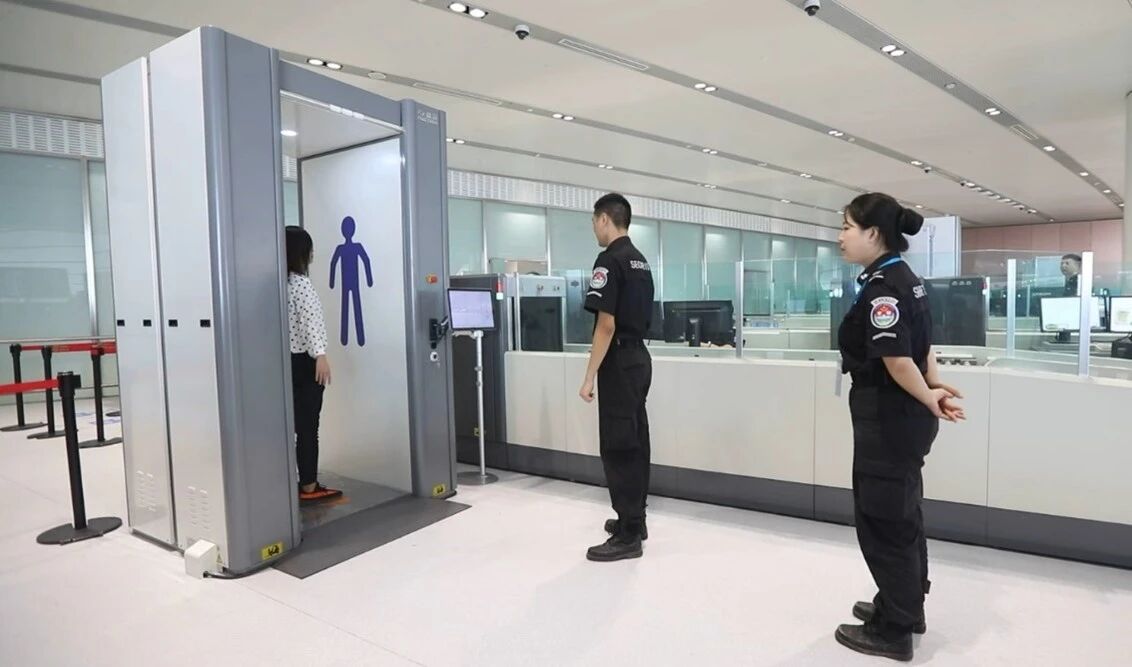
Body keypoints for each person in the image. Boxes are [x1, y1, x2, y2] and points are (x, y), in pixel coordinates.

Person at [833, 193, 965, 662]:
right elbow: (922, 348)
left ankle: (895, 629)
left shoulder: (883, 289)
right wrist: (930, 387)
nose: (840, 237)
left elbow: (896, 359)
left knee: (883, 518)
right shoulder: (906, 279)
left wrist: (928, 393)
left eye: (846, 227)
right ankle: (905, 605)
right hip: (904, 414)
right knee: (902, 513)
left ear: (873, 233)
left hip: (889, 417)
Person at [578, 193, 655, 562]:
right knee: (636, 439)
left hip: (619, 361)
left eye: (594, 221)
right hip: (639, 358)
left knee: (618, 444)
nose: (594, 228)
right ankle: (635, 519)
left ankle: (628, 535)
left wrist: (589, 376)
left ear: (605, 219)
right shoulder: (640, 260)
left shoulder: (609, 260)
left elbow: (605, 325)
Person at [286, 225, 342, 504]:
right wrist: (320, 355)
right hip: (306, 363)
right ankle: (309, 486)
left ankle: (298, 480)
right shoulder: (301, 285)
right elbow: (311, 323)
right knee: (309, 428)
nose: (312, 254)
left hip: (287, 362)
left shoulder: (281, 285)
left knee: (296, 426)